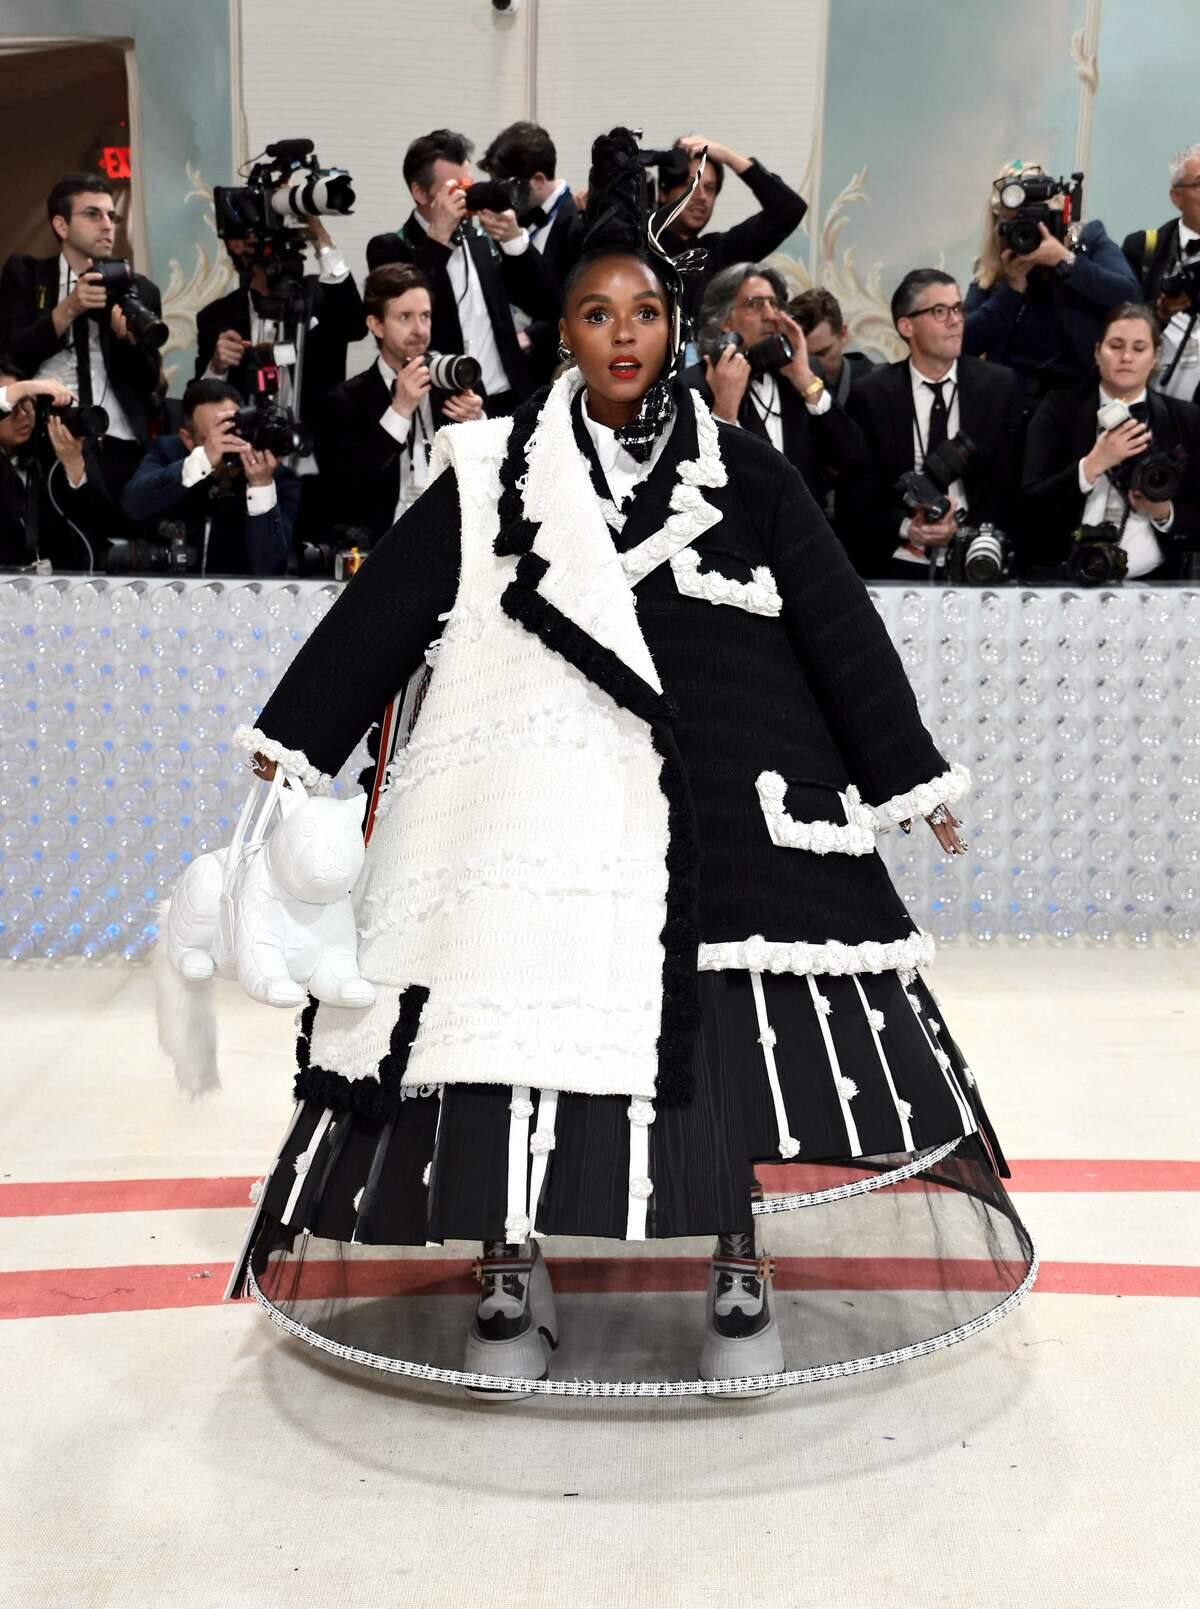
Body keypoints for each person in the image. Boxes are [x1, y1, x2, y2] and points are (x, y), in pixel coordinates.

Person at [213, 129, 1033, 1397]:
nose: (624, 335)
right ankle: (508, 1254)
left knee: (726, 1020)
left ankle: (736, 1251)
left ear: (674, 327)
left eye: (644, 312)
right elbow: (383, 615)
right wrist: (293, 750)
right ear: (565, 336)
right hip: (529, 795)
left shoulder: (747, 471)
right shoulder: (488, 471)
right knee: (501, 1003)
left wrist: (907, 775)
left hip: (726, 790)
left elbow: (839, 628)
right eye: (597, 315)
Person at [843, 269, 1026, 579]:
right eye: (940, 311)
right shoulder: (871, 395)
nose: (955, 321)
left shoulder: (998, 386)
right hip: (897, 560)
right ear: (906, 326)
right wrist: (909, 528)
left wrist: (966, 531)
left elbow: (1009, 486)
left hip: (978, 559)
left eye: (958, 309)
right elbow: (858, 495)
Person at [365, 129, 560, 413]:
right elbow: (405, 318)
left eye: (468, 186)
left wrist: (515, 241)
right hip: (449, 403)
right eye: (454, 189)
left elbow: (547, 303)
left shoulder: (482, 238)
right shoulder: (391, 248)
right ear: (419, 192)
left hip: (509, 396)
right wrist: (437, 238)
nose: (465, 197)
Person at [0, 174, 162, 504]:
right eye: (92, 214)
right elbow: (12, 353)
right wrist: (68, 308)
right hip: (47, 434)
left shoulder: (139, 289)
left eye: (111, 216)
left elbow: (148, 383)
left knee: (122, 531)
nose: (107, 225)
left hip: (118, 435)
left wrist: (128, 342)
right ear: (61, 225)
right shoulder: (26, 275)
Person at [1022, 302, 1200, 580]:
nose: (1126, 357)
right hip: (1065, 576)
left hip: (1156, 582)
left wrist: (1164, 512)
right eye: (1116, 346)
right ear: (1097, 352)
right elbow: (1030, 503)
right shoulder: (1057, 408)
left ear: (1155, 356)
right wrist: (1092, 465)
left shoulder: (1187, 418)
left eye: (1139, 348)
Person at [317, 264, 484, 544]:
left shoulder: (455, 381)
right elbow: (347, 491)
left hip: (454, 540)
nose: (419, 330)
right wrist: (399, 411)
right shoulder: (345, 400)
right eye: (405, 317)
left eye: (425, 316)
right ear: (376, 325)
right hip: (381, 545)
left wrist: (479, 422)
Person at [682, 263, 866, 510]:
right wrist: (724, 413)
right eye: (755, 304)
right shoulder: (692, 386)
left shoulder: (801, 373)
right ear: (725, 321)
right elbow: (698, 492)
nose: (770, 315)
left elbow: (853, 460)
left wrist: (805, 380)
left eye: (774, 304)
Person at [964, 161, 1139, 402]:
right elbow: (962, 342)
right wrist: (1011, 290)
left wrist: (1066, 261)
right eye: (1017, 223)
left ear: (1057, 213)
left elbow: (1130, 296)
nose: (1029, 232)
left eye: (1039, 219)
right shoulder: (993, 267)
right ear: (1000, 226)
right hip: (1012, 399)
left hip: (1079, 396)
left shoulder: (1087, 240)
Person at [195, 217, 367, 434]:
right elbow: (196, 405)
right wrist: (216, 368)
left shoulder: (322, 296)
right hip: (247, 445)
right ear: (237, 244)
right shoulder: (216, 316)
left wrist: (321, 238)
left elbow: (356, 326)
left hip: (317, 445)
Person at [121, 379, 299, 575]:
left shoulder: (278, 478)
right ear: (188, 440)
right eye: (212, 440)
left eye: (232, 433)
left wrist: (261, 486)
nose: (225, 445)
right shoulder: (168, 452)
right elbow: (133, 504)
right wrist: (201, 461)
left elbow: (271, 569)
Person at [652, 134, 807, 326]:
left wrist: (728, 157)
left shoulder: (720, 253)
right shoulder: (638, 244)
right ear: (663, 192)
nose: (701, 196)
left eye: (710, 188)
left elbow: (790, 210)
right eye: (690, 185)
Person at [481, 120, 586, 385]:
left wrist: (531, 336)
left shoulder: (581, 221)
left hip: (554, 371)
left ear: (538, 181)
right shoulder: (516, 216)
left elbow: (576, 306)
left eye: (508, 187)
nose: (502, 197)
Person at [0, 364, 114, 569]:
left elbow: (98, 521)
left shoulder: (53, 448)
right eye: (13, 405)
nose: (24, 414)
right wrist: (26, 388)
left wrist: (74, 464)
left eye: (28, 403)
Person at [1122, 144, 1200, 403]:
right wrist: (1160, 312)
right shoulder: (1144, 249)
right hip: (1159, 405)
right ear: (1176, 197)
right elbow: (1121, 326)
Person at [789, 287, 877, 407]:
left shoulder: (876, 385)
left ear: (843, 334)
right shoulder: (784, 390)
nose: (811, 364)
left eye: (822, 352)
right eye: (802, 356)